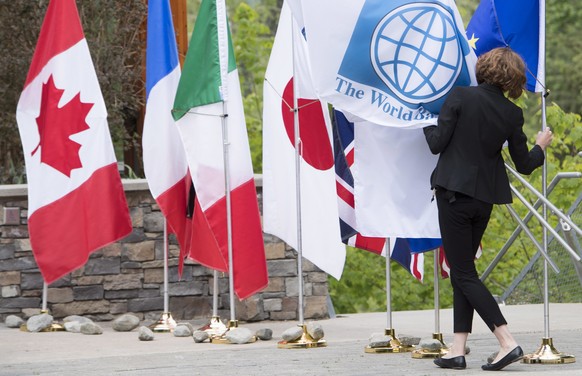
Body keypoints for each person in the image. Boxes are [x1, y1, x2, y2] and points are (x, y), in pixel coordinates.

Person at [423, 47, 553, 371]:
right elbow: (524, 164)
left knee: (462, 272)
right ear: (512, 78)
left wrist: (423, 121)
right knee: (462, 273)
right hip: (483, 201)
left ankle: (507, 341)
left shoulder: (460, 97)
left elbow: (437, 143)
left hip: (453, 195)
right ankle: (457, 349)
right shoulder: (512, 114)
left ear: (483, 68)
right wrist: (540, 146)